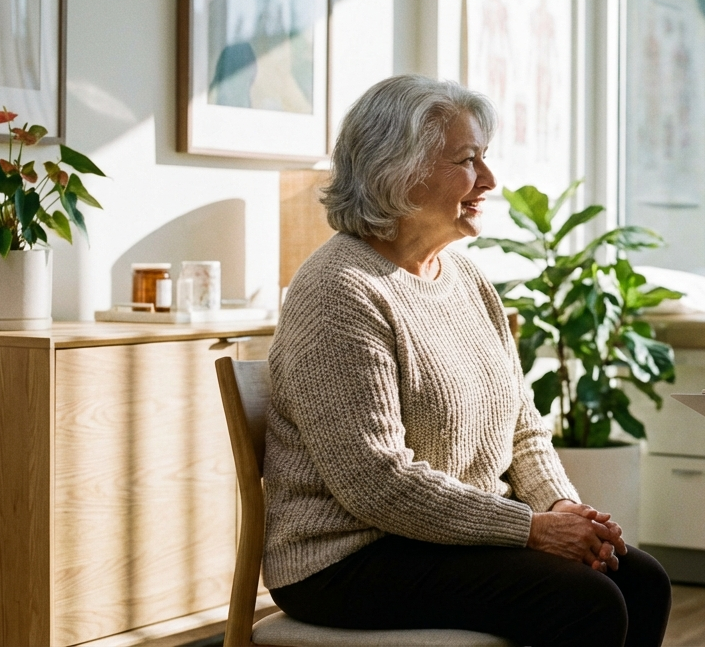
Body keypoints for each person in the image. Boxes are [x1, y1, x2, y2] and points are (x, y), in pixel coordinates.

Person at [263, 75, 671, 647]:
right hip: (348, 556)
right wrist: (531, 530)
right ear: (397, 170)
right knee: (585, 602)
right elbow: (377, 484)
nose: (489, 179)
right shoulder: (339, 291)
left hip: (447, 538)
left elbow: (523, 429)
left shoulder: (467, 280)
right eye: (467, 160)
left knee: (641, 581)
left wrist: (560, 508)